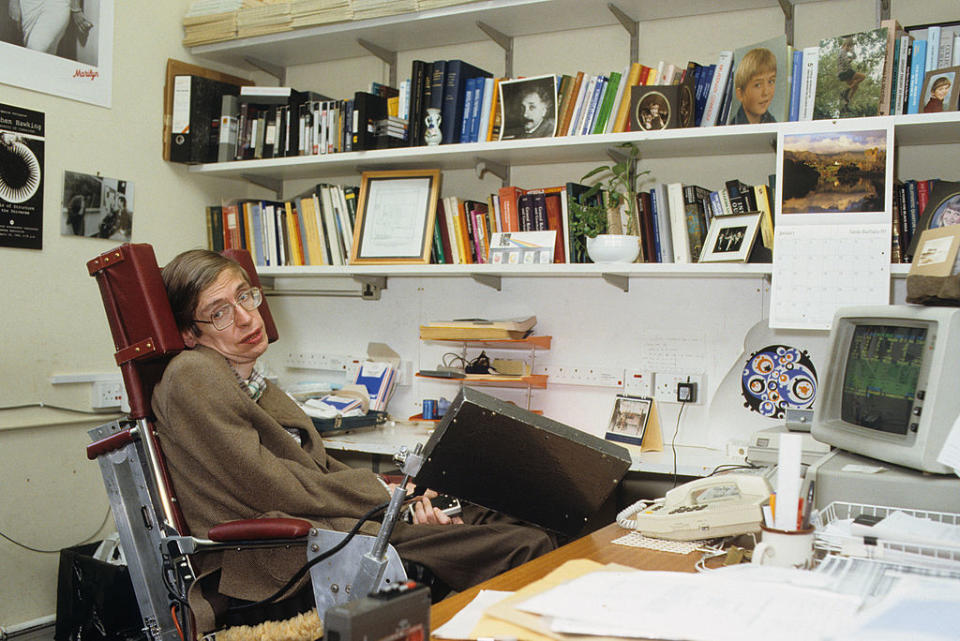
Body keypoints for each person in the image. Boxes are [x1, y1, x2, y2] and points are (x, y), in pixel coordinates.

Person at [152, 250, 556, 631]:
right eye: (219, 313)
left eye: (245, 296)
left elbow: (318, 470)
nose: (244, 318)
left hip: (330, 529)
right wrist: (386, 496)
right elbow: (274, 486)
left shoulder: (251, 382)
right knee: (526, 546)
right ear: (190, 333)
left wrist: (404, 496)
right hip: (285, 559)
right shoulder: (193, 374)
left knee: (521, 520)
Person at [8, 0, 93, 55]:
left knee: (35, 48)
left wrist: (76, 9)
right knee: (47, 54)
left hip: (57, 4)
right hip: (29, 5)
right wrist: (13, 2)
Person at [729, 47, 778, 125]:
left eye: (770, 81)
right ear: (740, 94)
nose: (766, 92)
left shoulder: (772, 122)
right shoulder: (733, 125)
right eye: (757, 85)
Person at [837, 37, 865, 107]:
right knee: (862, 77)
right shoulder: (842, 51)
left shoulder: (844, 52)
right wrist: (849, 62)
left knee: (855, 87)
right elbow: (846, 62)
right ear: (846, 45)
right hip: (845, 72)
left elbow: (854, 57)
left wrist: (852, 52)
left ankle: (847, 102)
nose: (848, 48)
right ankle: (846, 90)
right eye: (849, 46)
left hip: (842, 74)